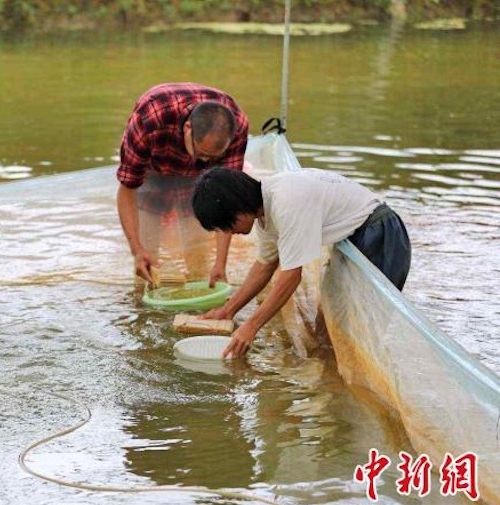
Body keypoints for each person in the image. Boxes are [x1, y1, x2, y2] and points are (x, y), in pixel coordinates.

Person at [192, 167, 411, 358]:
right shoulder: (266, 213)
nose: (230, 232)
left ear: (239, 208)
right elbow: (264, 266)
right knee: (328, 325)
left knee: (360, 330)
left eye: (227, 225)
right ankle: (329, 382)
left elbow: (291, 276)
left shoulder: (287, 203)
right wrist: (228, 311)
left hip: (380, 235)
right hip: (354, 238)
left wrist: (252, 326)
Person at [116, 82, 249, 286]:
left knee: (197, 250)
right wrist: (137, 250)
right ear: (188, 128)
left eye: (212, 157)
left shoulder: (237, 126)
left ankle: (198, 284)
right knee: (147, 252)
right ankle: (144, 293)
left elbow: (226, 199)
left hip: (200, 177)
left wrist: (220, 264)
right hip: (155, 167)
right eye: (201, 153)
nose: (205, 159)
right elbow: (128, 188)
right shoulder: (149, 118)